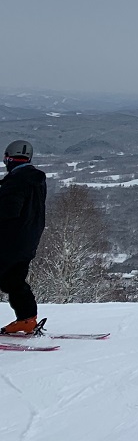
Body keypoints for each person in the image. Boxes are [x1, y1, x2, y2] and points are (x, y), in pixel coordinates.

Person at [0, 140, 47, 335]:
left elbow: (7, 211)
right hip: (28, 240)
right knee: (13, 280)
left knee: (11, 278)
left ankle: (26, 318)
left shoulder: (16, 181)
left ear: (8, 158)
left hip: (9, 241)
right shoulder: (36, 180)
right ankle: (27, 319)